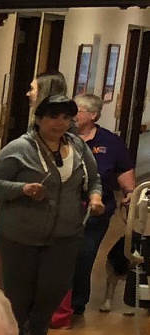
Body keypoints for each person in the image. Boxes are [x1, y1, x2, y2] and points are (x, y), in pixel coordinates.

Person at [0, 95, 101, 335]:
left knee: (54, 289)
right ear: (38, 119)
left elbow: (95, 180)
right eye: (53, 117)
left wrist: (94, 198)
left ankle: (36, 330)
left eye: (66, 117)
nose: (59, 123)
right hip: (20, 234)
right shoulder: (19, 149)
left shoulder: (78, 148)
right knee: (19, 293)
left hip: (66, 234)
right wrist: (22, 189)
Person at [68, 92, 136, 316]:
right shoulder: (62, 137)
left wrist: (129, 194)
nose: (72, 114)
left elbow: (125, 175)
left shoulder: (110, 143)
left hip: (96, 211)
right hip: (63, 210)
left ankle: (76, 304)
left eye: (77, 110)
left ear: (93, 115)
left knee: (84, 255)